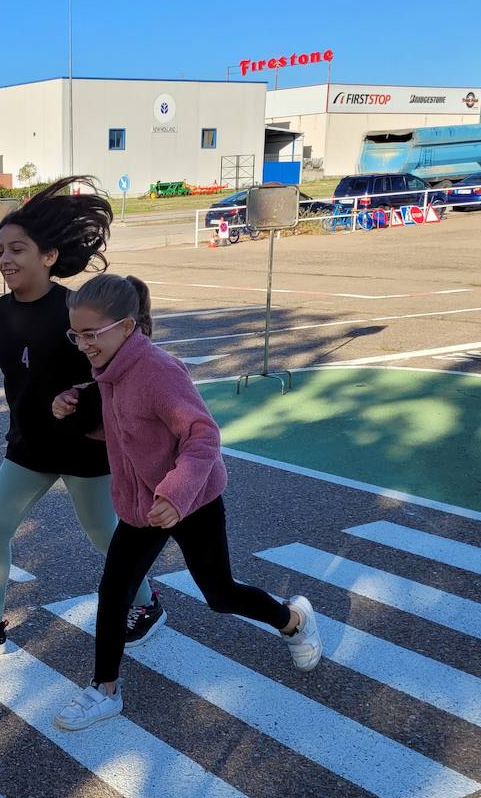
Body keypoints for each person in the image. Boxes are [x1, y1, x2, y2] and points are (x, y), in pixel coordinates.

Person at [49, 273, 323, 732]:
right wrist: (73, 412)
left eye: (92, 334)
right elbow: (124, 430)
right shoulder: (109, 373)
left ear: (128, 327)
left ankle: (293, 618)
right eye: (76, 334)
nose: (83, 344)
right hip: (143, 506)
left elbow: (202, 437)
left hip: (191, 498)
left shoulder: (159, 371)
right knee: (114, 591)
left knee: (220, 594)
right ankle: (104, 691)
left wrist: (176, 495)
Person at [0, 176, 163, 659]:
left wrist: (86, 402)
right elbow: (21, 381)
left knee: (104, 533)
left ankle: (147, 605)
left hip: (85, 443)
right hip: (29, 444)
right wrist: (29, 418)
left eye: (18, 249)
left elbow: (120, 366)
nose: (5, 259)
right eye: (1, 249)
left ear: (48, 256)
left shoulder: (75, 307)